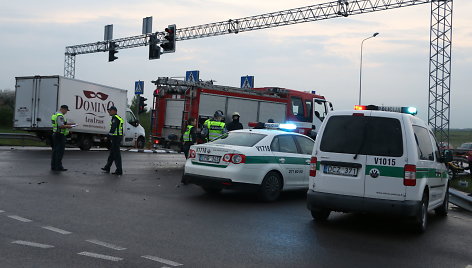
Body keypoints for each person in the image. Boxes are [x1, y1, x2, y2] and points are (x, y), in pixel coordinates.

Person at [102, 106, 124, 175]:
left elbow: (113, 128)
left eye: (110, 110)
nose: (109, 112)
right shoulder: (118, 118)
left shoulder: (115, 118)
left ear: (114, 111)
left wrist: (108, 136)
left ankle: (119, 170)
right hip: (117, 137)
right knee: (112, 154)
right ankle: (107, 167)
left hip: (116, 138)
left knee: (116, 155)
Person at [51, 105, 74, 171]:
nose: (66, 112)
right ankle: (58, 167)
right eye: (66, 110)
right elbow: (61, 126)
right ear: (63, 109)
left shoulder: (55, 115)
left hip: (56, 134)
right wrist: (69, 127)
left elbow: (59, 124)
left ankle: (54, 166)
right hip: (60, 135)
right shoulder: (60, 116)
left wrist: (70, 124)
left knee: (55, 151)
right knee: (59, 152)